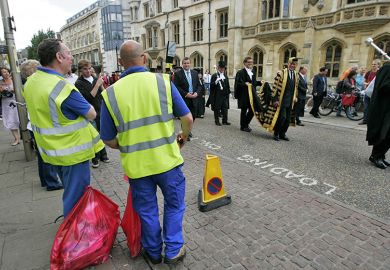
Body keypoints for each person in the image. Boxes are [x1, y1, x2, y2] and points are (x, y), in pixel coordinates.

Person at [100, 40, 193, 265]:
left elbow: (108, 139)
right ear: (144, 59)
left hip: (137, 166)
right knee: (174, 205)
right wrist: (182, 138)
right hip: (167, 162)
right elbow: (187, 118)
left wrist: (128, 144)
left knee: (148, 210)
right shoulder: (162, 81)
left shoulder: (110, 94)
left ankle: (152, 251)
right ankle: (172, 250)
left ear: (121, 63)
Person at [23, 38, 104, 217]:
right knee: (76, 199)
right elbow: (91, 114)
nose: (71, 57)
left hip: (51, 150)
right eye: (68, 54)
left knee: (69, 192)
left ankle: (74, 231)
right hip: (72, 152)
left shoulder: (31, 81)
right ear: (59, 57)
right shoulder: (62, 87)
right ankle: (75, 238)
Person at [20, 59, 63, 191]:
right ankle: (52, 182)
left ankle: (46, 180)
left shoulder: (28, 85)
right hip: (40, 125)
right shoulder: (35, 85)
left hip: (34, 125)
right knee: (47, 155)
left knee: (42, 155)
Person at [75, 59, 109, 168]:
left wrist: (102, 85)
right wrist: (96, 85)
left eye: (89, 68)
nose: (88, 71)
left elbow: (103, 93)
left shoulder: (95, 78)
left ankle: (104, 155)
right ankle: (95, 158)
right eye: (85, 69)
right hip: (90, 112)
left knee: (101, 134)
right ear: (80, 71)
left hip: (100, 109)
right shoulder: (79, 83)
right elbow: (88, 98)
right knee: (94, 135)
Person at [366, 62, 390, 169]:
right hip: (384, 108)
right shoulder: (387, 68)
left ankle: (380, 155)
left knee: (388, 134)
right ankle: (376, 156)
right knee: (384, 133)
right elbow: (384, 86)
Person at [271, 57, 299, 141]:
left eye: (294, 64)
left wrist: (296, 96)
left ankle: (282, 134)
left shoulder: (296, 74)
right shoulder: (282, 73)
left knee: (288, 119)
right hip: (282, 100)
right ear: (288, 64)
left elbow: (296, 87)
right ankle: (276, 133)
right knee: (282, 117)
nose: (292, 65)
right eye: (291, 63)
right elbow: (275, 87)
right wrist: (275, 99)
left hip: (290, 100)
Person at [173, 57, 200, 139]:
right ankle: (185, 133)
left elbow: (199, 85)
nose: (186, 65)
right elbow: (176, 87)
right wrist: (186, 94)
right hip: (184, 98)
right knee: (185, 118)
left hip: (194, 98)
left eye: (188, 63)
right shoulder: (178, 74)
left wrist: (197, 93)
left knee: (193, 116)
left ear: (190, 64)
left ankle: (189, 130)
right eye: (185, 63)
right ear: (182, 64)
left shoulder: (195, 73)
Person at [234, 56, 257, 132]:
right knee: (244, 111)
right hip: (243, 95)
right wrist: (245, 84)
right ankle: (243, 126)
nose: (250, 63)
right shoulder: (240, 72)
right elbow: (238, 83)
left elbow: (253, 83)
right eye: (248, 62)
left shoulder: (253, 71)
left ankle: (246, 124)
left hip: (251, 95)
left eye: (251, 62)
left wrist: (260, 82)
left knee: (252, 110)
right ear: (244, 63)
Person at [0, 67, 20, 146]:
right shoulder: (0, 82)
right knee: (10, 120)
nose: (6, 73)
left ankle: (21, 137)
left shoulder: (14, 80)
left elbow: (18, 89)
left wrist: (13, 90)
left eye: (6, 71)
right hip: (6, 104)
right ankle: (16, 138)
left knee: (18, 119)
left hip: (16, 101)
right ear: (1, 74)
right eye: (3, 72)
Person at [209, 61, 231, 126]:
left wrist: (229, 92)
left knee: (225, 108)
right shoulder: (214, 76)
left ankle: (225, 121)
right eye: (221, 68)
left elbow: (227, 85)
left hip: (224, 95)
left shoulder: (225, 76)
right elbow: (211, 86)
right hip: (217, 95)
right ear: (218, 68)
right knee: (217, 108)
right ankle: (217, 121)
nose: (222, 69)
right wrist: (216, 82)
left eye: (223, 68)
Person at [359, 59, 380, 125]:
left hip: (375, 93)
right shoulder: (368, 73)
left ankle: (373, 121)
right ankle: (365, 120)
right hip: (367, 92)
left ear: (378, 65)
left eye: (375, 64)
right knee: (366, 107)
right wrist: (367, 84)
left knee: (374, 107)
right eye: (372, 64)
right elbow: (363, 82)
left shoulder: (379, 73)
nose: (373, 65)